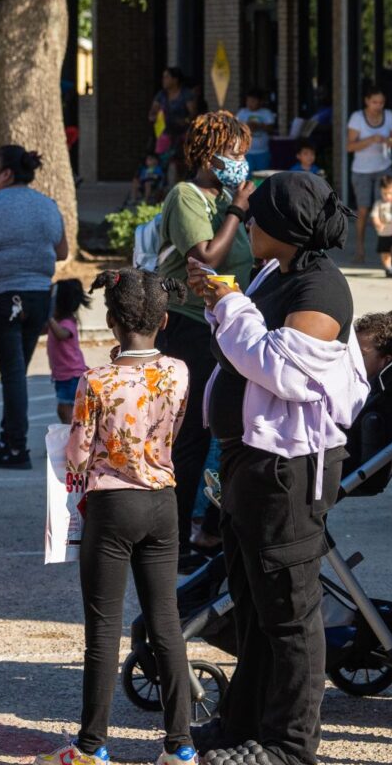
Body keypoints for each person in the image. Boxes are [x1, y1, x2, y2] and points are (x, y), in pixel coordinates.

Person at [185, 170, 366, 765]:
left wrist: (230, 303)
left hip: (288, 469)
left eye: (257, 216)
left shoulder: (322, 289)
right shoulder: (274, 272)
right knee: (254, 604)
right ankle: (242, 727)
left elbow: (283, 372)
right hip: (248, 464)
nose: (249, 224)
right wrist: (223, 301)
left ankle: (291, 746)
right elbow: (240, 348)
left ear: (285, 228)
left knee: (290, 613)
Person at [41, 268, 195, 765]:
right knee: (165, 622)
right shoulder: (179, 371)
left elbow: (79, 456)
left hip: (112, 503)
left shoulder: (97, 381)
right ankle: (180, 745)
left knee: (102, 629)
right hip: (162, 501)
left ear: (111, 322)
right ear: (164, 319)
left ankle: (91, 745)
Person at [151, 111, 255, 567]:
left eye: (244, 153)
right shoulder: (187, 197)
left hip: (227, 325)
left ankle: (211, 531)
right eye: (233, 153)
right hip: (190, 324)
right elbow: (206, 257)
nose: (240, 162)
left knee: (228, 429)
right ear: (207, 155)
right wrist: (237, 210)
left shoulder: (228, 196)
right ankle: (174, 544)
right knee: (191, 435)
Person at [0, 145, 70, 469]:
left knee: (12, 373)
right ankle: (7, 437)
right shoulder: (47, 206)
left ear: (7, 173)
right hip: (38, 298)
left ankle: (16, 447)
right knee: (17, 371)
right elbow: (62, 251)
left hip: (1, 297)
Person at [346, 85, 392, 259]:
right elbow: (349, 146)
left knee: (386, 208)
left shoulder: (389, 116)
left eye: (381, 102)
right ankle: (360, 248)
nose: (378, 106)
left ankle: (388, 250)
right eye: (375, 102)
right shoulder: (357, 118)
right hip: (361, 170)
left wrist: (388, 141)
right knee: (363, 210)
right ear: (367, 101)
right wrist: (370, 140)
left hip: (383, 167)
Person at [46, 279, 90, 427]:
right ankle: (74, 436)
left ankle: (73, 438)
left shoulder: (67, 323)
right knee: (66, 410)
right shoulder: (57, 323)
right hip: (63, 376)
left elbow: (61, 334)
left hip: (72, 376)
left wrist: (49, 317)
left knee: (66, 410)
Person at [151, 67, 198, 162]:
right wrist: (154, 116)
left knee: (180, 158)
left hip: (182, 132)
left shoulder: (186, 94)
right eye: (163, 77)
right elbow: (153, 110)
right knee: (161, 158)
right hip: (165, 131)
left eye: (167, 77)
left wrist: (185, 121)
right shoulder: (161, 95)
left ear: (175, 80)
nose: (163, 80)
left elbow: (193, 114)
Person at [238, 91, 278, 173]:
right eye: (248, 101)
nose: (250, 103)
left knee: (262, 176)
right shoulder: (242, 112)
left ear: (260, 101)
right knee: (247, 176)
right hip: (246, 152)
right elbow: (236, 128)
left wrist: (259, 126)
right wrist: (246, 127)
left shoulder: (266, 112)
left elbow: (271, 129)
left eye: (253, 101)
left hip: (263, 151)